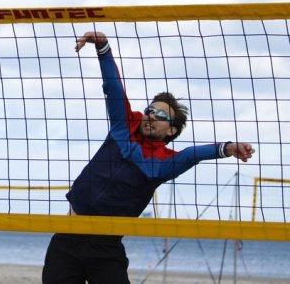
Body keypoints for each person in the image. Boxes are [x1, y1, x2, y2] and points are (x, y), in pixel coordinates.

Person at [42, 32, 255, 284]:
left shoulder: (164, 163)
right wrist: (103, 47)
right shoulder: (123, 127)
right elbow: (114, 88)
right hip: (67, 239)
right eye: (150, 110)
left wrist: (228, 147)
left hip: (106, 250)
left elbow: (191, 155)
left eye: (161, 115)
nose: (151, 115)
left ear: (172, 130)